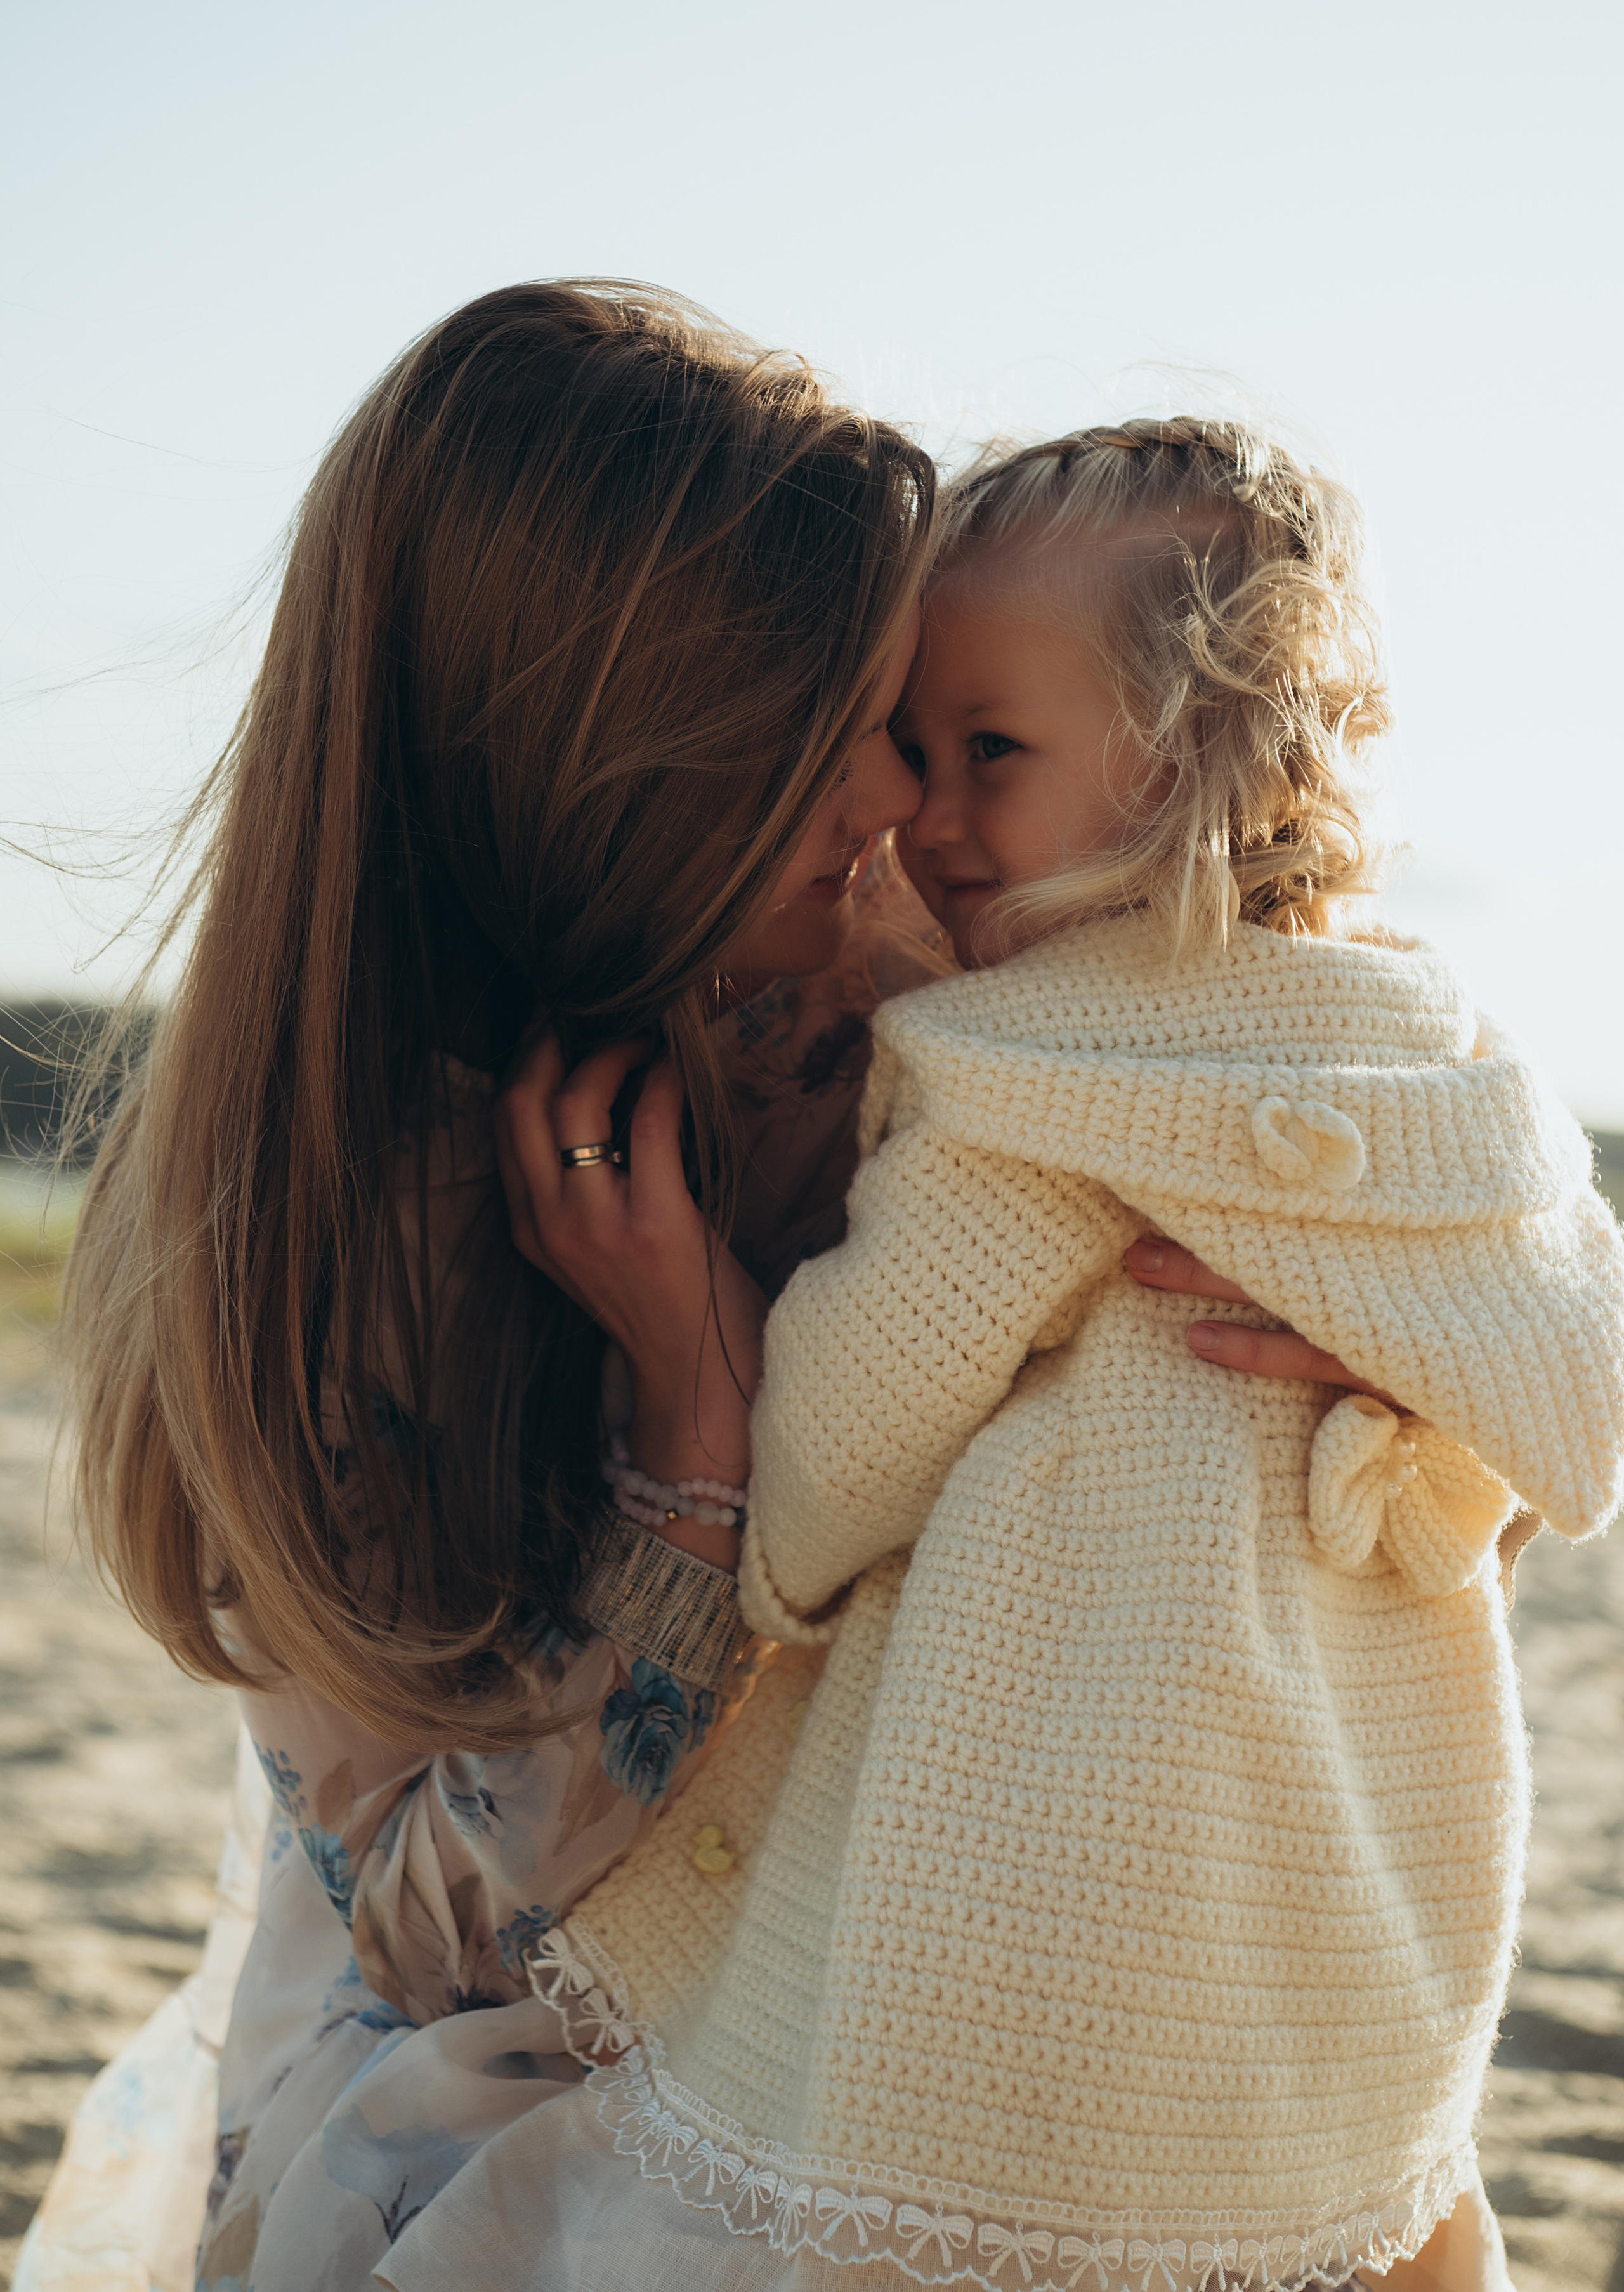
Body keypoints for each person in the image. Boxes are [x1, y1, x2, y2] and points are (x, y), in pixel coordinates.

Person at [460, 420, 1624, 2292]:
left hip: (1040, 1898)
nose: (922, 812)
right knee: (1379, 2214)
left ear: (1198, 764)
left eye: (984, 752)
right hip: (1340, 1887)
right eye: (921, 748)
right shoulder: (1439, 1057)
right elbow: (1582, 1400)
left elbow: (826, 1483)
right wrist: (1428, 1401)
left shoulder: (1020, 1080)